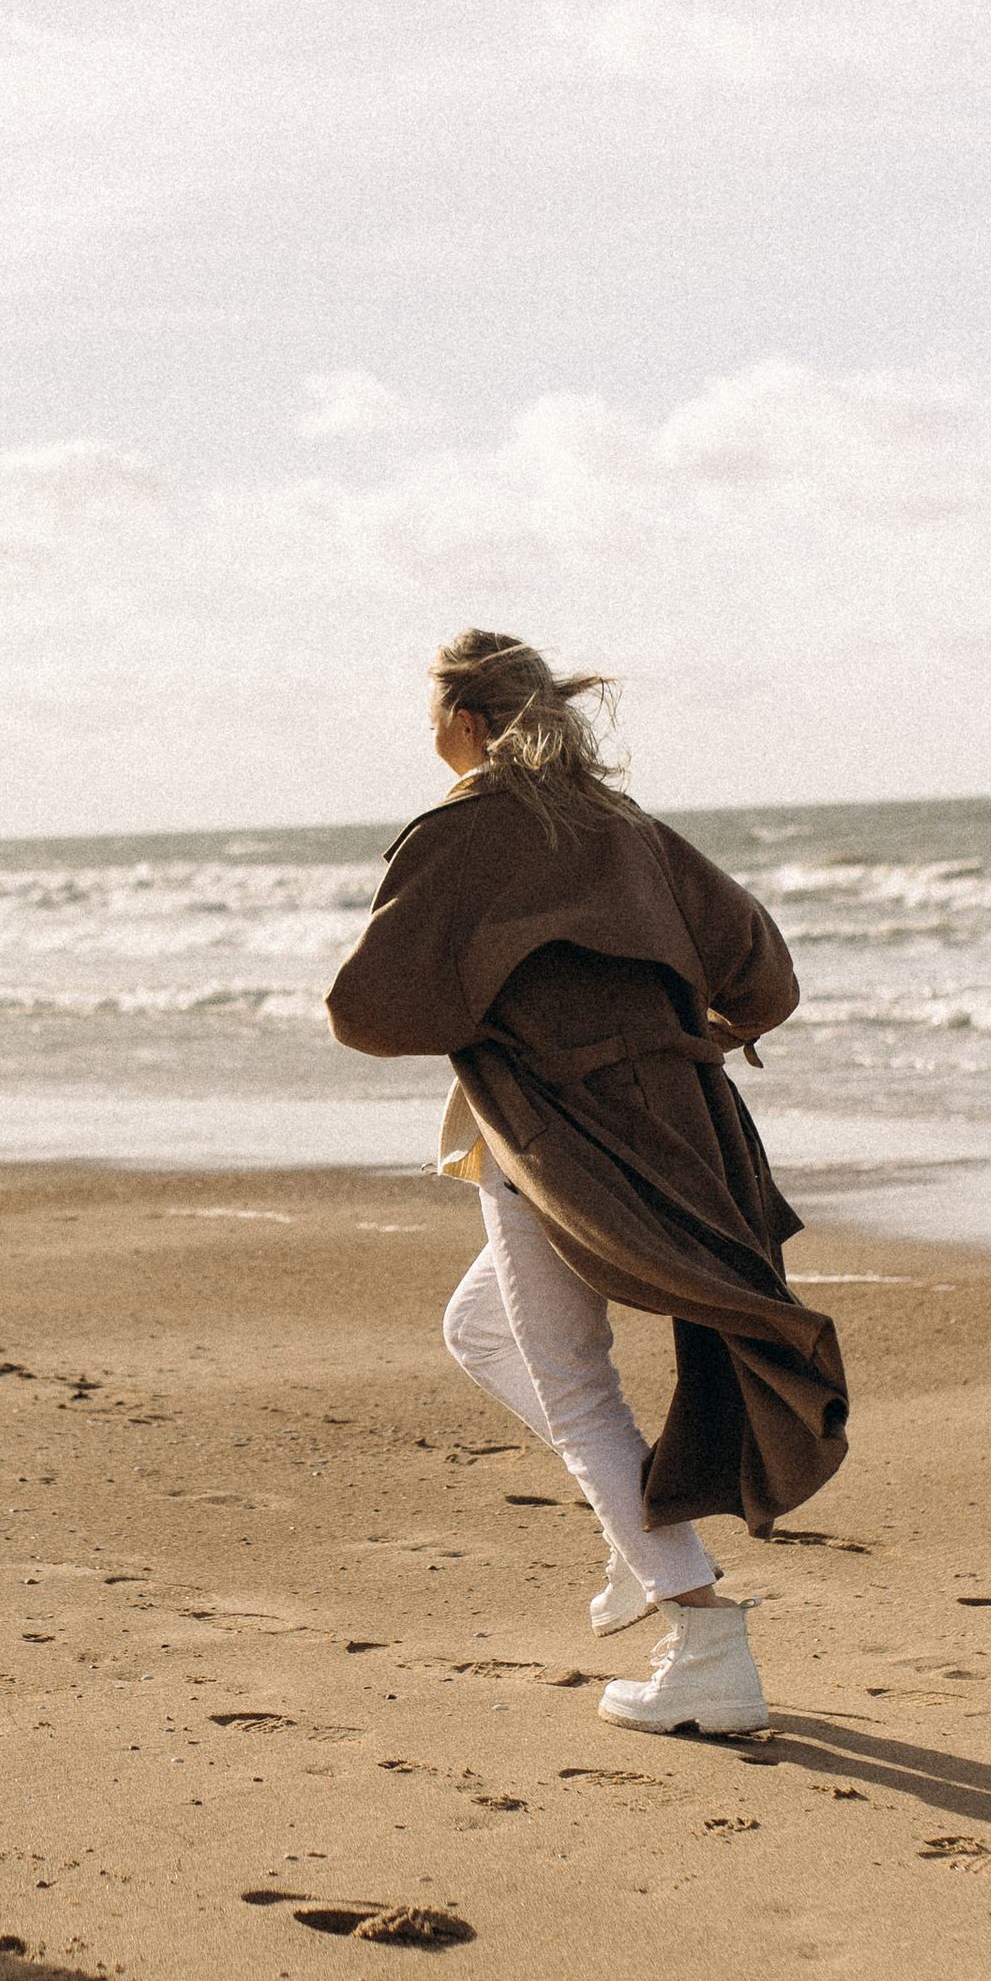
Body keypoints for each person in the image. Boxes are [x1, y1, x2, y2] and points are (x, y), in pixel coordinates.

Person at [325, 633, 847, 1738]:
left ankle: (704, 1639)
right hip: (685, 1125)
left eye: (431, 720)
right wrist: (682, 1034)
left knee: (572, 1382)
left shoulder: (461, 831)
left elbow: (363, 1010)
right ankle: (638, 1541)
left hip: (557, 1132)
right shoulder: (625, 825)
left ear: (464, 725)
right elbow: (766, 974)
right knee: (480, 1331)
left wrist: (492, 1016)